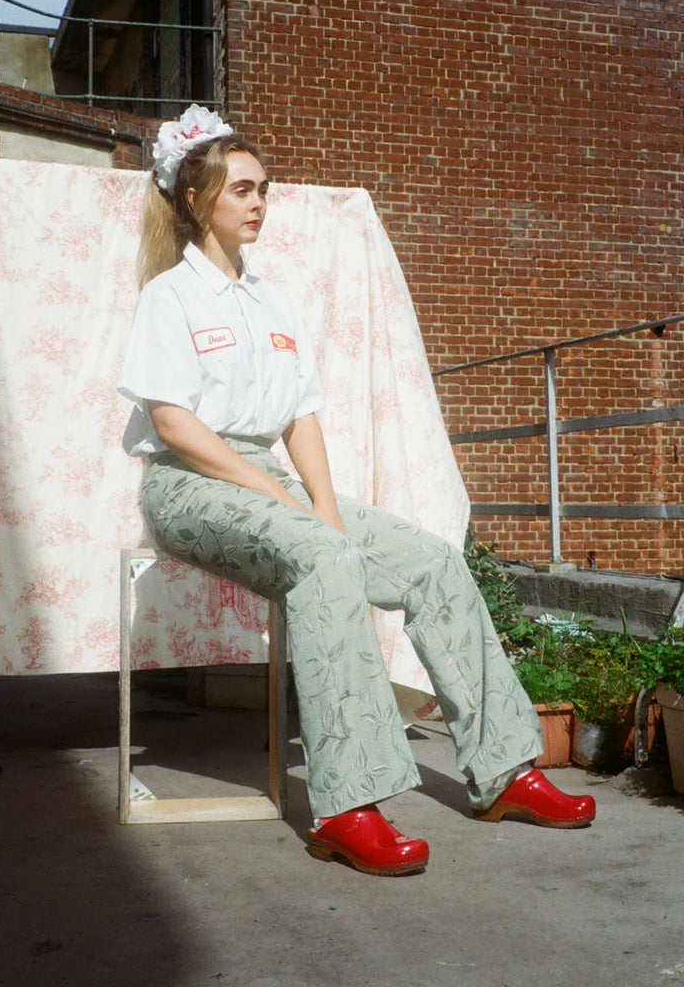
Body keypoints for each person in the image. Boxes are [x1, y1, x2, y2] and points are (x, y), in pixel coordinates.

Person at [118, 105, 595, 876]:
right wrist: (281, 502)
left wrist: (324, 507)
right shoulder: (168, 297)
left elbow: (300, 416)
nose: (258, 202)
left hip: (266, 476)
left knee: (431, 561)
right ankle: (347, 806)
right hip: (189, 484)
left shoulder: (272, 301)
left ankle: (506, 769)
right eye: (242, 189)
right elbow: (174, 424)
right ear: (196, 199)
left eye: (264, 189)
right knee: (325, 558)